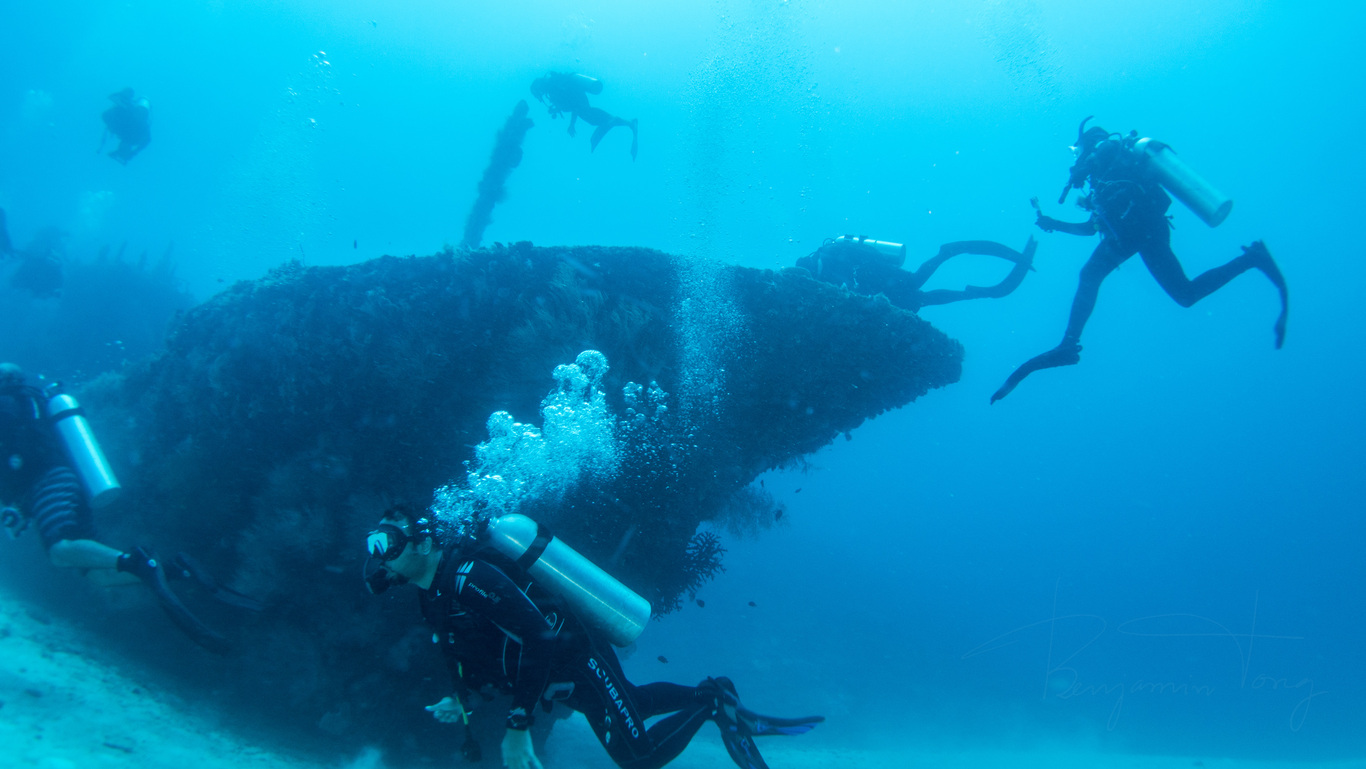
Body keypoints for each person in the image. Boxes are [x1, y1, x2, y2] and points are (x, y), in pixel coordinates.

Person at [365, 504, 822, 769]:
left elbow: (538, 637)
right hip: (560, 675)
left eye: (387, 543)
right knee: (635, 701)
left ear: (422, 543)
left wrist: (518, 727)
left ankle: (712, 704)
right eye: (375, 544)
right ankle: (712, 693)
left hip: (575, 659)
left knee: (638, 759)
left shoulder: (468, 578)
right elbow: (479, 650)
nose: (379, 555)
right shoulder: (434, 594)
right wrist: (464, 697)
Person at [990, 118, 1289, 403]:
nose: (1076, 155)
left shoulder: (1104, 153)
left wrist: (1081, 168)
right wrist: (1053, 222)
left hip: (1135, 228)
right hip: (1144, 229)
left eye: (1076, 149)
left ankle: (1068, 344)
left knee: (1091, 275)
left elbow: (1100, 204)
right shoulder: (1107, 176)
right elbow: (1091, 228)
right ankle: (1252, 259)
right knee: (1184, 294)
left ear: (1087, 143)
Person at [0, 363, 234, 652]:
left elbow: (18, 460)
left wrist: (14, 499)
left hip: (50, 480)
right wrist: (18, 507)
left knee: (60, 550)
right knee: (99, 574)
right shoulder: (29, 403)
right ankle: (174, 570)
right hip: (64, 481)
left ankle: (138, 562)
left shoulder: (8, 403)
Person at [797, 234, 1036, 313]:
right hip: (880, 285)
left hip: (881, 278)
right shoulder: (824, 266)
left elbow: (848, 285)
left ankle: (946, 253)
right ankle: (974, 293)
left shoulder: (827, 259)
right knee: (920, 299)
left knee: (916, 284)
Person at [530, 72, 638, 160]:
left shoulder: (553, 90)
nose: (540, 95)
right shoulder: (554, 86)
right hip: (579, 97)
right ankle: (623, 122)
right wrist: (559, 109)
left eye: (538, 92)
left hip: (578, 99)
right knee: (591, 117)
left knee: (590, 116)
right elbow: (569, 105)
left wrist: (571, 124)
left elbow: (572, 105)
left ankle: (616, 120)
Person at [100, 87, 151, 164]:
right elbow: (147, 140)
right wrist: (133, 153)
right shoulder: (129, 115)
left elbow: (105, 115)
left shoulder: (139, 128)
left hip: (126, 129)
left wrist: (133, 153)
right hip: (127, 128)